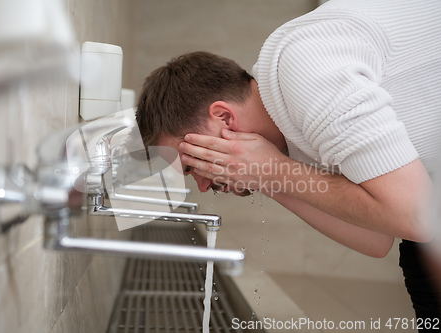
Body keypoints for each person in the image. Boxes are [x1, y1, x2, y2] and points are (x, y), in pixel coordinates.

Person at [135, 0, 441, 328]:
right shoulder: (290, 131)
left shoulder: (306, 72)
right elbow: (377, 237)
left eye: (192, 164)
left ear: (224, 118)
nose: (204, 185)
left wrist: (273, 170)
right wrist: (269, 175)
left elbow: (418, 217)